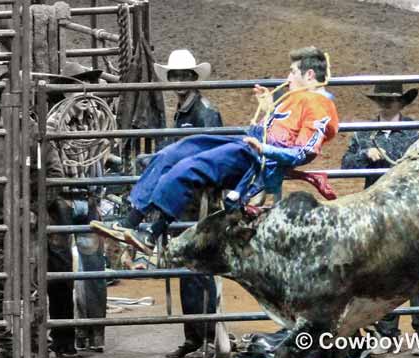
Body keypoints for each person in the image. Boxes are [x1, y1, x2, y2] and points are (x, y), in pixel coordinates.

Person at [91, 46, 339, 256]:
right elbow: (276, 130)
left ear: (308, 74)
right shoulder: (294, 99)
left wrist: (263, 148)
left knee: (188, 166)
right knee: (175, 152)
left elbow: (304, 152)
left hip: (256, 159)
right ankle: (131, 221)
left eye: (292, 71)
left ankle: (150, 233)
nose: (288, 76)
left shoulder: (320, 106)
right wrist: (267, 108)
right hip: (246, 144)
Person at [0, 88, 79, 358]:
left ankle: (37, 345)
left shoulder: (34, 135)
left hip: (23, 221)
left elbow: (54, 176)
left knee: (33, 285)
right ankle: (4, 345)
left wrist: (35, 207)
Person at [341, 82, 419, 349]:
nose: (386, 103)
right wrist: (364, 155)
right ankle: (386, 334)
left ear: (402, 102)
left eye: (391, 99)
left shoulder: (415, 133)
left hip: (409, 211)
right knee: (382, 274)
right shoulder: (364, 134)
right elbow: (346, 164)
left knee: (417, 272)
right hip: (376, 212)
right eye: (382, 99)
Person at [154, 49, 224, 358]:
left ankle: (205, 337)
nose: (179, 81)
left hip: (199, 200)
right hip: (186, 200)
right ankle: (196, 337)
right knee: (188, 266)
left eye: (184, 75)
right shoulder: (186, 111)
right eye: (175, 76)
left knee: (197, 268)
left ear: (194, 78)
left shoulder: (204, 113)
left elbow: (211, 155)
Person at [47, 62, 110, 353]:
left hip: (88, 198)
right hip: (64, 201)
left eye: (89, 83)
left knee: (94, 266)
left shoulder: (96, 117)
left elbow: (102, 152)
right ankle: (65, 337)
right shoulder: (53, 121)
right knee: (61, 269)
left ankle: (93, 333)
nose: (86, 89)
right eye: (80, 83)